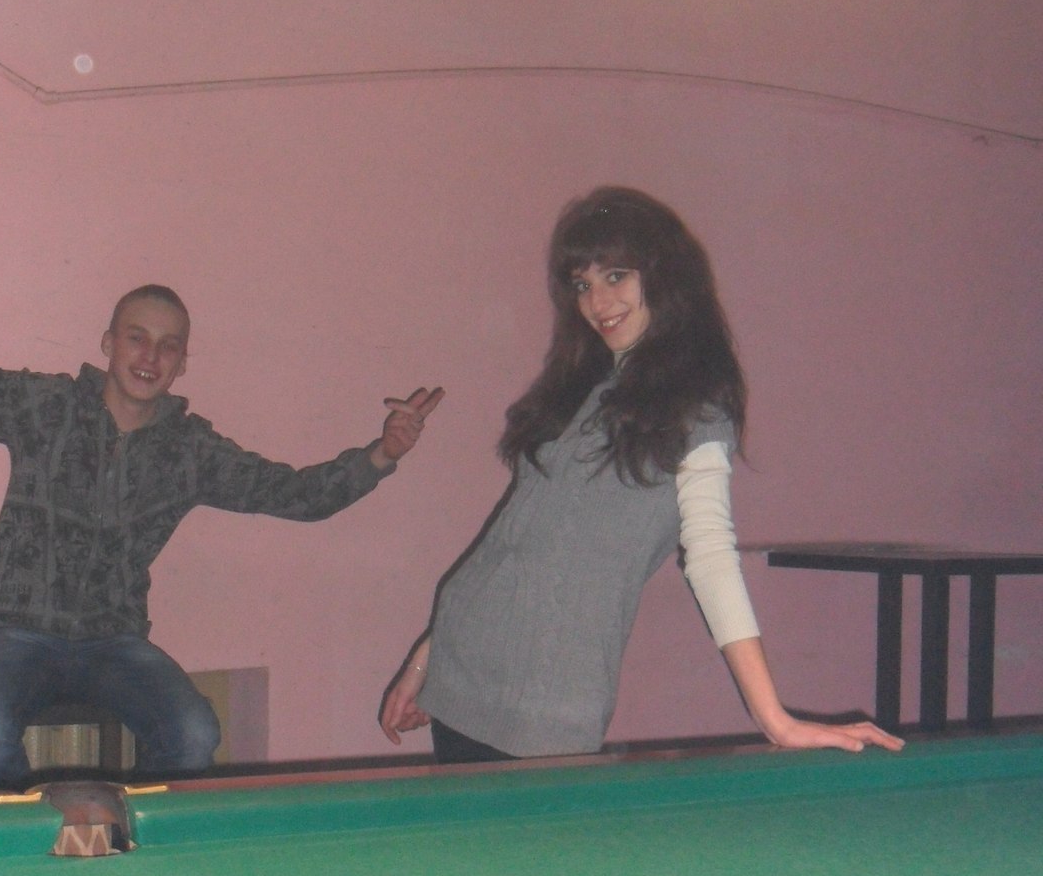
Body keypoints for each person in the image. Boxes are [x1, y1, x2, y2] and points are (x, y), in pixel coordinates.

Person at [0, 218, 441, 782]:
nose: (150, 356)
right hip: (16, 633)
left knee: (194, 733)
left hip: (114, 643)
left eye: (168, 346)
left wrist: (382, 454)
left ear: (182, 363)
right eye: (137, 338)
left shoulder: (189, 449)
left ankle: (138, 831)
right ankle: (27, 836)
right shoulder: (47, 408)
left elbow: (297, 495)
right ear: (109, 344)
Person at [379, 186, 901, 762]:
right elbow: (513, 543)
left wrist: (773, 719)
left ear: (664, 276)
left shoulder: (696, 407)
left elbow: (710, 554)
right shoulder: (584, 388)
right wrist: (423, 663)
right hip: (460, 670)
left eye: (616, 276)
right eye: (582, 284)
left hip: (547, 703)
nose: (597, 302)